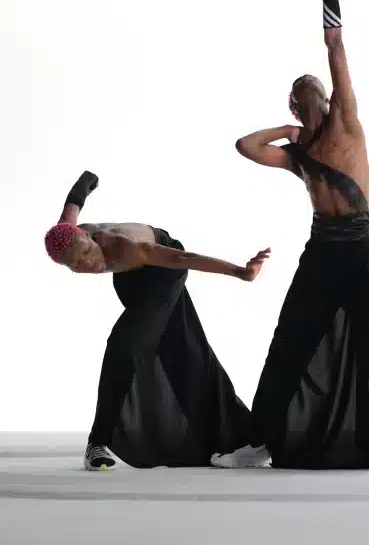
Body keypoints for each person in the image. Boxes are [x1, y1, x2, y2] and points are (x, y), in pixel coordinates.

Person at [213, 0, 369, 471]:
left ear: (329, 96)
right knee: (289, 341)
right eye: (300, 88)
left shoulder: (346, 122)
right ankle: (261, 442)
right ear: (293, 102)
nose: (311, 87)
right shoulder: (298, 154)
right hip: (322, 251)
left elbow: (335, 44)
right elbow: (245, 146)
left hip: (364, 248)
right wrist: (286, 131)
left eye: (318, 86)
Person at [44, 170, 271, 470]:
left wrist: (240, 272)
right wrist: (86, 182)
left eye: (87, 252)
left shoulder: (126, 246)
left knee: (124, 345)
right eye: (77, 265)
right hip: (129, 279)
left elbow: (184, 259)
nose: (88, 263)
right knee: (186, 350)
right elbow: (72, 205)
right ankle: (234, 440)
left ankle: (97, 442)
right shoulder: (65, 236)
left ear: (88, 236)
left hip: (164, 269)